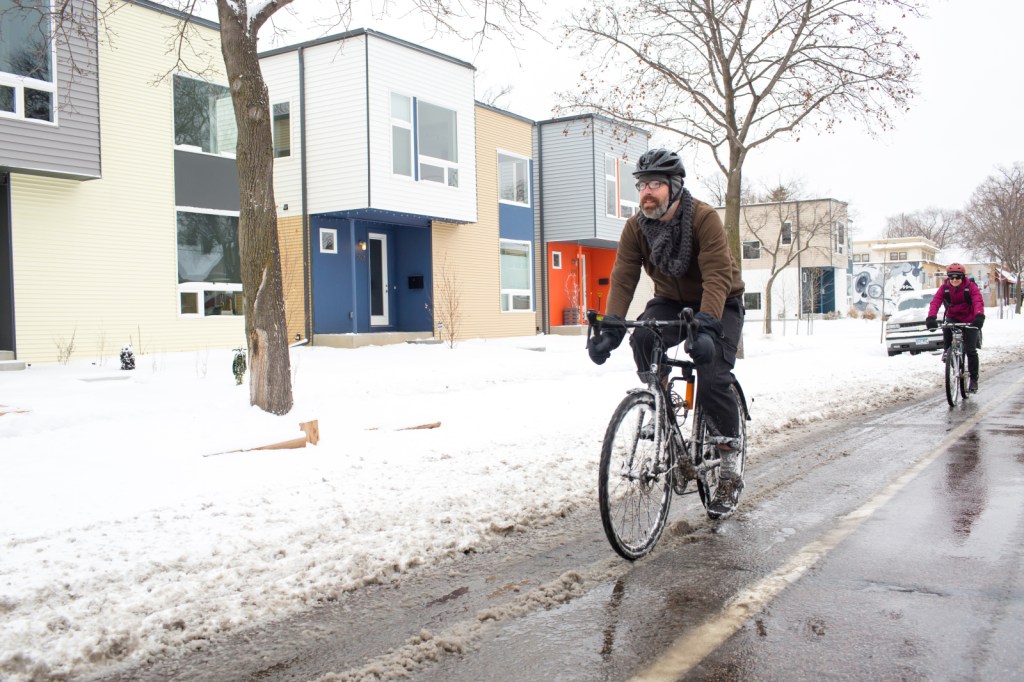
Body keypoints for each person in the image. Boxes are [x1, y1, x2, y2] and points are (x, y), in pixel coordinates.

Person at [586, 148, 747, 519]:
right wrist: (611, 327)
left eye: (655, 184)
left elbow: (717, 275)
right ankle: (661, 403)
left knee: (711, 378)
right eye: (642, 184)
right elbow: (624, 276)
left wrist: (707, 325)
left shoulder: (703, 219)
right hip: (671, 301)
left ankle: (728, 468)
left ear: (674, 187)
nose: (647, 192)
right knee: (641, 337)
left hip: (720, 301)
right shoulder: (635, 227)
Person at [925, 263, 985, 392]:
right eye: (951, 277)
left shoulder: (971, 287)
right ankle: (948, 351)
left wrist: (979, 316)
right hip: (953, 317)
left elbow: (978, 301)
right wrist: (931, 317)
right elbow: (936, 301)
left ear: (963, 277)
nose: (954, 280)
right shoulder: (944, 288)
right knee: (946, 326)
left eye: (957, 277)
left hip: (970, 320)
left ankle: (974, 379)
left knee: (970, 350)